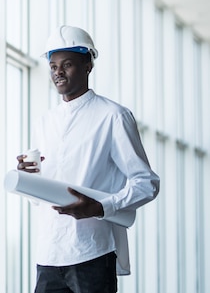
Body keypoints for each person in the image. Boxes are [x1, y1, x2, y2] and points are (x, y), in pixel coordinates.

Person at [16, 25, 160, 293]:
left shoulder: (113, 116)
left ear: (88, 65)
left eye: (67, 64)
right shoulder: (45, 122)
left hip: (91, 253)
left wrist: (101, 207)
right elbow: (40, 198)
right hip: (48, 253)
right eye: (53, 66)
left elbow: (146, 183)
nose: (58, 72)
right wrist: (28, 178)